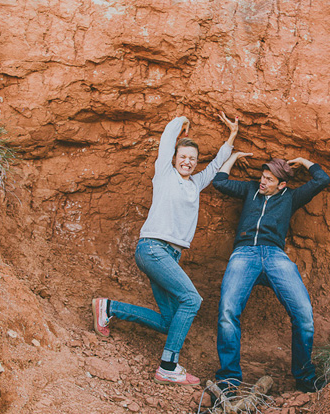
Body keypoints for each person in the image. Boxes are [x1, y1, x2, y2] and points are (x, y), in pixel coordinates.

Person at [92, 112, 239, 386]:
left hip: (169, 256)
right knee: (192, 300)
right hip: (152, 249)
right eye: (183, 156)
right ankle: (168, 365)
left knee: (170, 321)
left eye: (193, 159)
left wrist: (231, 137)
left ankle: (108, 307)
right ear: (174, 158)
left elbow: (217, 163)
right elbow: (167, 139)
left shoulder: (195, 183)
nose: (188, 161)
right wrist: (181, 120)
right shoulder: (164, 173)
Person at [212, 152, 330, 393]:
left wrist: (305, 162)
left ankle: (306, 379)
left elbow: (322, 180)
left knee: (304, 315)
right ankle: (228, 381)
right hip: (244, 253)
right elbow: (219, 182)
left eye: (269, 179)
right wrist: (234, 156)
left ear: (282, 184)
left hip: (275, 256)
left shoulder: (292, 197)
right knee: (227, 312)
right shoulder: (250, 190)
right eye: (262, 177)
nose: (262, 182)